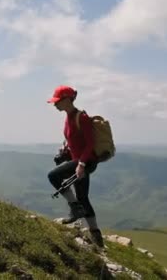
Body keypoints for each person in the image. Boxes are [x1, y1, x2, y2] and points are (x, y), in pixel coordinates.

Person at [47, 85, 105, 248]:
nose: (55, 104)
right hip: (80, 160)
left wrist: (81, 164)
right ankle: (97, 237)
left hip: (86, 162)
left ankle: (75, 208)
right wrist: (66, 151)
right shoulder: (68, 116)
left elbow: (90, 143)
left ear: (67, 100)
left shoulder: (82, 117)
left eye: (57, 101)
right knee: (83, 196)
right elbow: (75, 141)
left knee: (53, 176)